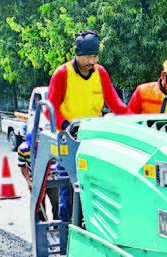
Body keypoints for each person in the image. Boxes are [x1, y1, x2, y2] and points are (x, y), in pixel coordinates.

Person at [45, 29, 127, 222]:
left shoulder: (101, 73)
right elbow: (51, 108)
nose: (91, 61)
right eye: (87, 57)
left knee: (97, 188)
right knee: (69, 191)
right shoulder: (62, 74)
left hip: (93, 139)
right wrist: (67, 125)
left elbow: (116, 104)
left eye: (95, 56)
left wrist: (134, 118)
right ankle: (67, 230)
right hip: (69, 139)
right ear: (77, 55)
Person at [16, 141, 60, 220]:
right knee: (39, 207)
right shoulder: (23, 148)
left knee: (57, 203)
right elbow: (22, 166)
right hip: (36, 180)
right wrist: (29, 181)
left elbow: (56, 165)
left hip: (52, 178)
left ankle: (57, 227)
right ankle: (43, 226)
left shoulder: (51, 146)